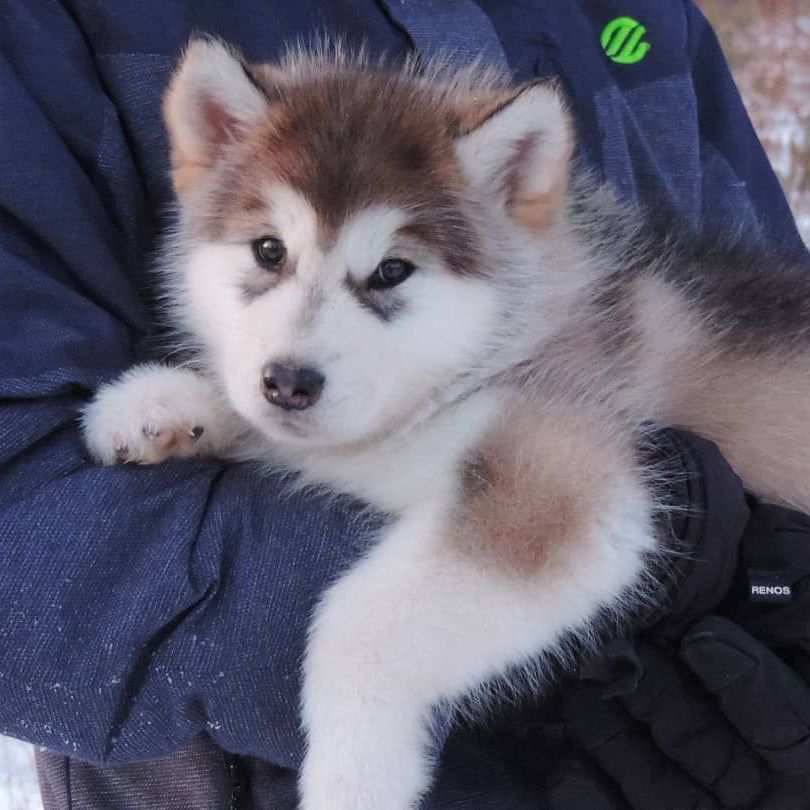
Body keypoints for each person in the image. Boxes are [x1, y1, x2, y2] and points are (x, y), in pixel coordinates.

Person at [1, 1, 808, 807]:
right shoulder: (52, 27)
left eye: (388, 273)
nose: (296, 347)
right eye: (269, 252)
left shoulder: (644, 19)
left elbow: (581, 507)